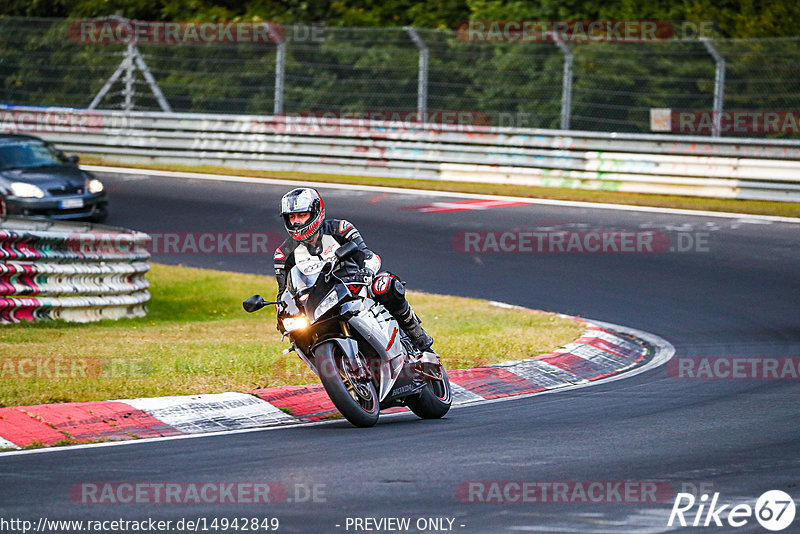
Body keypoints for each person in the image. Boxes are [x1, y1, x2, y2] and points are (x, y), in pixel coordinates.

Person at [273, 187, 434, 351]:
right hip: (317, 303)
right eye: (292, 217)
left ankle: (416, 333)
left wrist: (367, 272)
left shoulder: (341, 229)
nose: (296, 222)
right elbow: (284, 293)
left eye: (302, 215)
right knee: (295, 331)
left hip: (355, 287)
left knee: (385, 284)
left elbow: (368, 256)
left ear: (316, 213)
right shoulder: (283, 255)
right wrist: (282, 312)